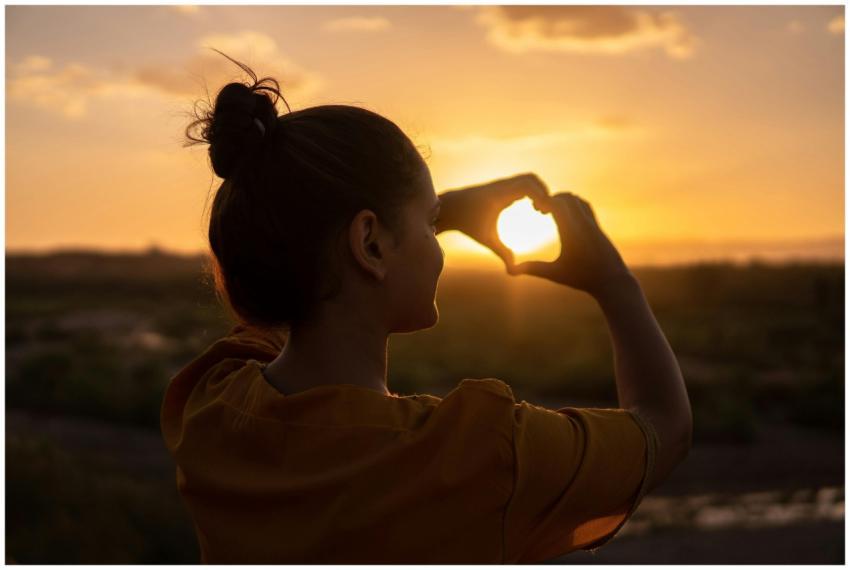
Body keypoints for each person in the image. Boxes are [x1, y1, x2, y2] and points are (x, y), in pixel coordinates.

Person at [160, 52, 692, 564]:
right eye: (431, 223)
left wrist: (417, 216)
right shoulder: (478, 454)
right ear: (369, 244)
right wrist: (615, 283)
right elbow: (663, 429)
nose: (438, 242)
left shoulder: (210, 405)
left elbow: (296, 274)